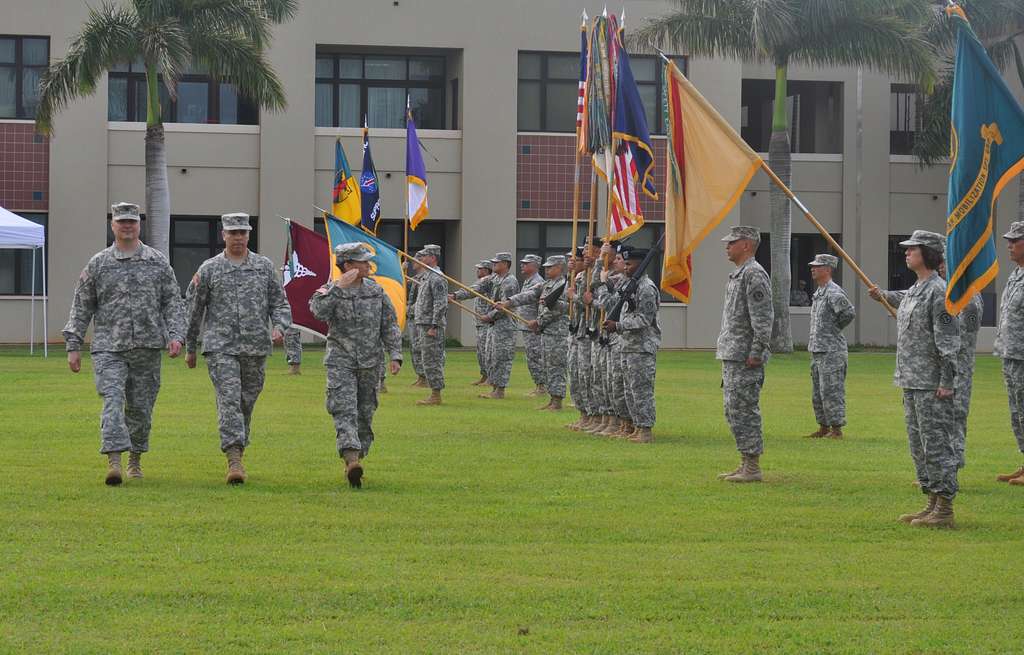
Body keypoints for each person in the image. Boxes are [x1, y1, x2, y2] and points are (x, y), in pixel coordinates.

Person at [63, 202, 184, 485]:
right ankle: (114, 460)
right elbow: (81, 306)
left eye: (132, 222)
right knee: (113, 400)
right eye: (122, 222)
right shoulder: (99, 264)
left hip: (147, 347)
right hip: (109, 348)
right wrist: (73, 345)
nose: (127, 226)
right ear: (113, 226)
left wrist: (177, 335)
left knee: (140, 408)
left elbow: (172, 302)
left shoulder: (157, 262)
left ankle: (135, 459)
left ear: (139, 225)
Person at [185, 212, 291, 484]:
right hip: (221, 347)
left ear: (248, 235)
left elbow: (279, 303)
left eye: (242, 232)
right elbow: (194, 309)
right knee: (229, 399)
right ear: (224, 235)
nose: (238, 237)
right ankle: (234, 459)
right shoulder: (209, 269)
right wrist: (191, 346)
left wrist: (279, 326)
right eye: (233, 233)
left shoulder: (264, 267)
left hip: (255, 347)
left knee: (246, 402)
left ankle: (239, 449)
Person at [869, 230, 960, 527]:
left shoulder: (939, 291)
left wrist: (947, 382)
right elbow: (903, 299)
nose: (906, 253)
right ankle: (931, 501)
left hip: (933, 384)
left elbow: (948, 343)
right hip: (911, 380)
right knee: (919, 446)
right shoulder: (917, 288)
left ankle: (944, 508)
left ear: (928, 254)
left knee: (936, 445)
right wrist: (882, 294)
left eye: (913, 249)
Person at [310, 242, 402, 488]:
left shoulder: (376, 291)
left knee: (365, 413)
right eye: (361, 261)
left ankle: (358, 459)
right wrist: (339, 288)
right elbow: (317, 311)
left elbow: (389, 324)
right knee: (344, 410)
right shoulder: (331, 290)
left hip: (371, 363)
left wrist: (395, 355)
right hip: (341, 362)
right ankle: (351, 459)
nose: (367, 265)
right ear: (348, 265)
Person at [716, 226, 773, 482]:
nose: (727, 246)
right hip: (733, 353)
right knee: (733, 409)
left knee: (744, 409)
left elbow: (762, 319)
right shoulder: (738, 274)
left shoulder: (754, 274)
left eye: (732, 242)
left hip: (745, 356)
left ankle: (752, 466)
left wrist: (757, 352)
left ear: (746, 245)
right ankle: (744, 461)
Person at [605, 246, 661, 443]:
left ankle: (645, 429)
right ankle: (635, 426)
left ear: (640, 264)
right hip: (627, 345)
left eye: (629, 264)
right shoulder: (629, 284)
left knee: (641, 389)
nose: (625, 267)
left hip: (642, 347)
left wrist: (618, 326)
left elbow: (645, 319)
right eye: (625, 263)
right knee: (628, 390)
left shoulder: (646, 287)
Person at [501, 255, 570, 409]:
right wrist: (509, 302)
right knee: (547, 366)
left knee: (556, 366)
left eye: (550, 267)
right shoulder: (546, 284)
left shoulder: (564, 285)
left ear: (559, 267)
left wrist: (539, 321)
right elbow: (529, 295)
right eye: (546, 267)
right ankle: (552, 399)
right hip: (546, 332)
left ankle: (557, 401)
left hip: (558, 333)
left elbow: (563, 308)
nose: (546, 269)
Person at [805, 254, 855, 439]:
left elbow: (848, 313)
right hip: (818, 349)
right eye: (813, 265)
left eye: (817, 266)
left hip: (832, 350)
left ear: (827, 269)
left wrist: (835, 328)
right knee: (818, 392)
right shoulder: (819, 293)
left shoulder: (833, 292)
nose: (813, 268)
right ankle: (823, 426)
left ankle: (836, 429)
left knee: (832, 391)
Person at [994, 221, 1024, 484]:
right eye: (1009, 240)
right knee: (1018, 412)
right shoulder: (1016, 275)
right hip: (1011, 354)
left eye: (1015, 240)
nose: (1010, 245)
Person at [596, 244, 632, 437]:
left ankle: (626, 424)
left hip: (623, 340)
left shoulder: (628, 283)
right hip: (611, 338)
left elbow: (606, 304)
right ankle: (615, 422)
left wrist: (604, 283)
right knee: (609, 383)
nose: (617, 262)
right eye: (616, 259)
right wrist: (600, 265)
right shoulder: (618, 281)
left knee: (622, 384)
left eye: (619, 259)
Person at [480, 252, 520, 399]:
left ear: (506, 264)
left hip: (505, 326)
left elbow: (505, 307)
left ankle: (500, 390)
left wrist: (488, 316)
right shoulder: (495, 278)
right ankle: (494, 387)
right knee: (490, 356)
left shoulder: (509, 282)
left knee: (501, 357)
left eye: (497, 262)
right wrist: (457, 295)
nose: (494, 264)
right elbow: (478, 287)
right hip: (494, 325)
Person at [413, 244, 448, 405]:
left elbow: (440, 303)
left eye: (425, 256)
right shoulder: (427, 276)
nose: (421, 259)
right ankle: (433, 392)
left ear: (433, 258)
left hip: (431, 325)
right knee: (427, 359)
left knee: (432, 359)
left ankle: (436, 394)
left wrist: (434, 326)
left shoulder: (437, 277)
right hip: (423, 323)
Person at [452, 259, 495, 385]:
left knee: (486, 351)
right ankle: (484, 375)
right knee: (480, 351)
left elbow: (471, 291)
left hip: (487, 321)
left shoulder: (488, 281)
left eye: (480, 269)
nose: (477, 271)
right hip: (480, 322)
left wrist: (455, 295)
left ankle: (490, 378)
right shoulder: (482, 281)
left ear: (487, 270)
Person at [566, 248, 594, 430]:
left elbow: (589, 302)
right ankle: (583, 415)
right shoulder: (576, 278)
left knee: (587, 376)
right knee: (575, 376)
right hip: (576, 332)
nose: (572, 262)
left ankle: (594, 417)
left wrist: (574, 297)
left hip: (588, 333)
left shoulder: (591, 278)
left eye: (576, 259)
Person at [518, 254, 547, 396]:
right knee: (531, 356)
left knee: (536, 356)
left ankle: (542, 387)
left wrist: (538, 323)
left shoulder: (538, 282)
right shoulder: (528, 281)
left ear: (535, 265)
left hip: (534, 327)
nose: (522, 265)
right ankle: (538, 385)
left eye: (525, 263)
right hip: (526, 325)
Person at [406, 256, 427, 387]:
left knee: (421, 348)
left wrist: (410, 308)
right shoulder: (417, 278)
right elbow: (402, 282)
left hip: (420, 317)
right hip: (413, 317)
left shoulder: (427, 278)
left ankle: (425, 377)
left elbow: (424, 300)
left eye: (415, 260)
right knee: (414, 347)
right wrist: (401, 271)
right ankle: (420, 376)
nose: (413, 262)